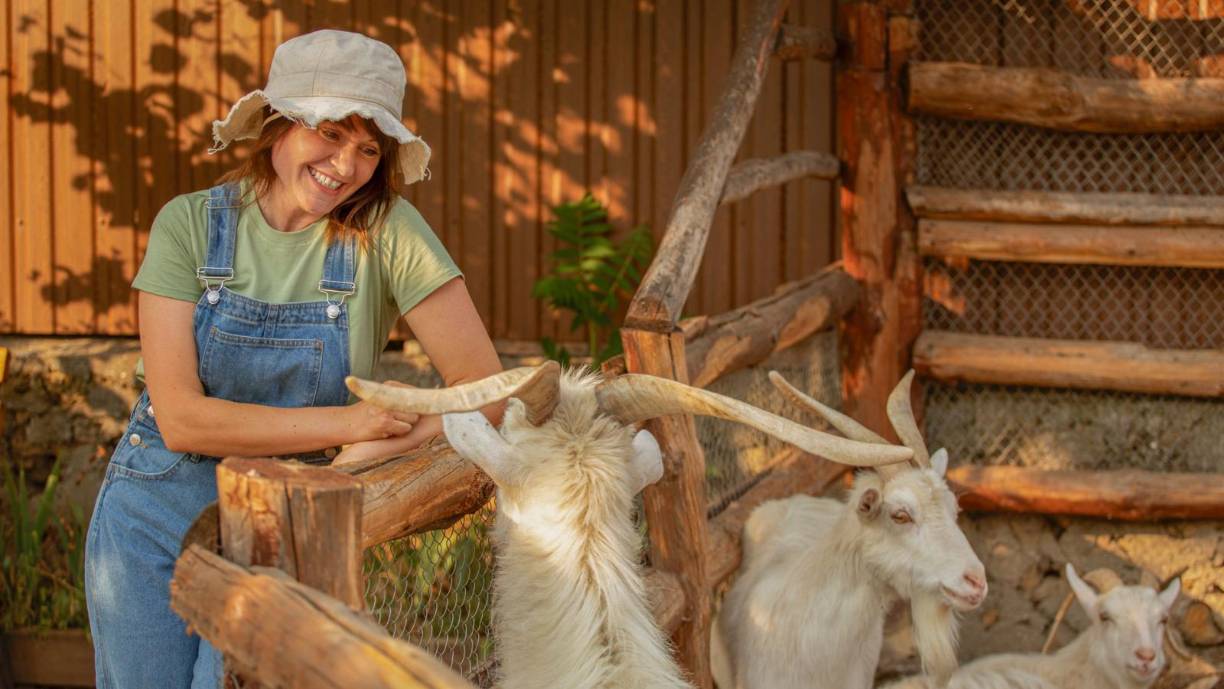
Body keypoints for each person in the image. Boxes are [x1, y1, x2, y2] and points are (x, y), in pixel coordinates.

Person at [84, 29, 503, 688]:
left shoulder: (388, 232)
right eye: (331, 134)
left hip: (291, 522)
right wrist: (348, 425)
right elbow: (183, 421)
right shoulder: (187, 226)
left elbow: (488, 390)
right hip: (156, 507)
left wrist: (373, 452)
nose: (347, 164)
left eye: (369, 148)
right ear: (278, 126)